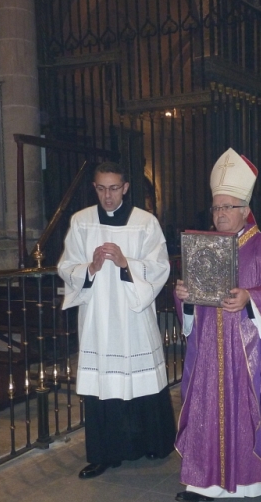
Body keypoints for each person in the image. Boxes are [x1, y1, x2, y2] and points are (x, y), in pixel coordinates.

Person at [174, 148, 261, 502]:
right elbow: (190, 303)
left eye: (228, 207)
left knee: (249, 411)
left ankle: (258, 480)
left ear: (245, 210)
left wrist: (251, 298)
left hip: (252, 356)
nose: (220, 214)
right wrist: (184, 296)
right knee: (209, 410)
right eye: (216, 207)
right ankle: (204, 484)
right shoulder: (203, 247)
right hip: (209, 352)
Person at [58, 162, 176, 479]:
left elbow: (160, 267)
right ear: (94, 188)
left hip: (133, 317)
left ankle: (152, 443)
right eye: (100, 188)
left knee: (141, 382)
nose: (107, 196)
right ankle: (105, 454)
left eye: (113, 188)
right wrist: (90, 268)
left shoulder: (145, 223)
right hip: (98, 318)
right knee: (104, 384)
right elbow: (66, 266)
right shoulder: (81, 222)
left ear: (125, 187)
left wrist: (127, 264)